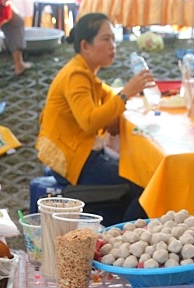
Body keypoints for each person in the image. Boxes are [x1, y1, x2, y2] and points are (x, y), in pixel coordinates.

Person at [36, 13, 153, 219]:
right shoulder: (76, 75)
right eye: (106, 39)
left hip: (81, 154)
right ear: (85, 45)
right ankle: (124, 241)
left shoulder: (86, 72)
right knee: (146, 188)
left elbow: (107, 95)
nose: (112, 45)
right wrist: (126, 94)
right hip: (74, 160)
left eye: (114, 39)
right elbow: (90, 122)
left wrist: (117, 106)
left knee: (139, 178)